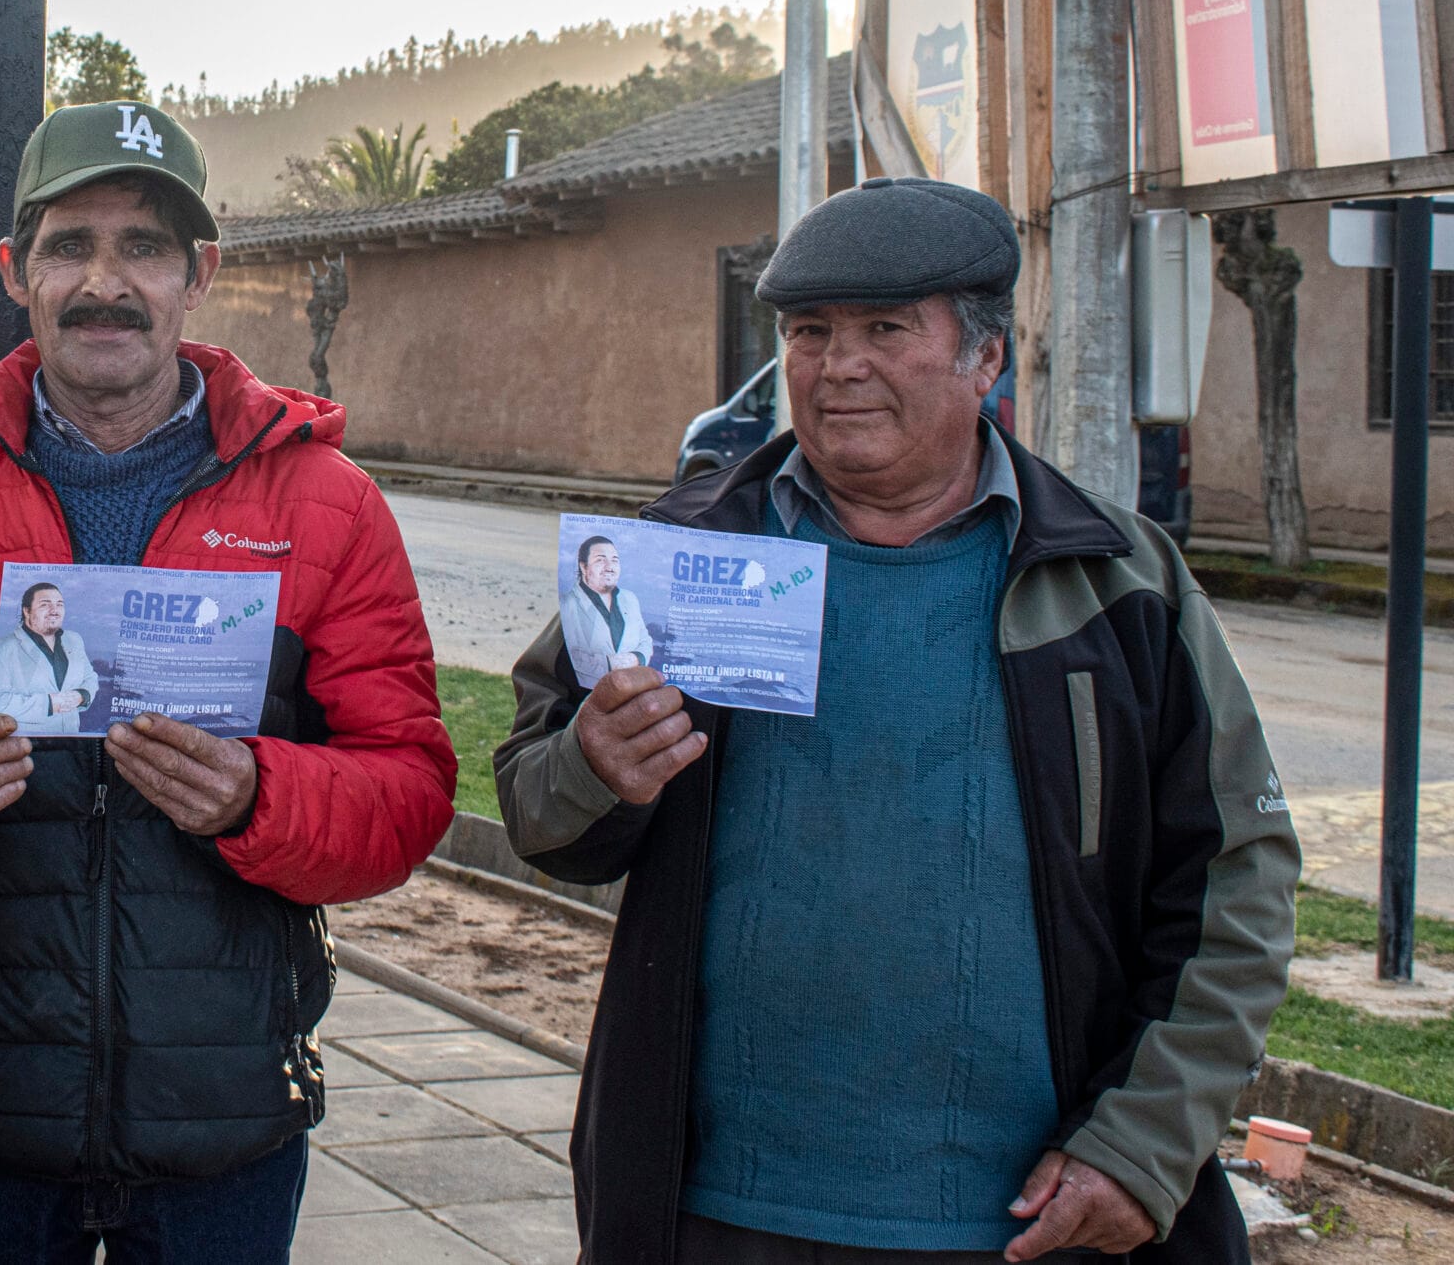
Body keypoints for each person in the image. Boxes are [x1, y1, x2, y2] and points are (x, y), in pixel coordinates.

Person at [496, 176, 1299, 1265]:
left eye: (886, 329)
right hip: (722, 1213)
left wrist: (1144, 1144)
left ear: (985, 360)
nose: (840, 367)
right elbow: (542, 815)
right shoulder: (681, 557)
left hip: (1027, 1220)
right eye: (809, 332)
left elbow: (1233, 880)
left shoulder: (1115, 582)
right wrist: (593, 765)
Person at [0, 99, 457, 1264]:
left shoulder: (325, 507)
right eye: (69, 245)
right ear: (15, 270)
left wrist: (259, 799)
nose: (106, 281)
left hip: (225, 1132)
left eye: (143, 246)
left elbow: (408, 795)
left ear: (199, 272)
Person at [0, 581, 98, 735]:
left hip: (73, 744)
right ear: (27, 611)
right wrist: (49, 704)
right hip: (29, 748)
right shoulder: (3, 648)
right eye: (45, 605)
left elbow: (90, 677)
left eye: (60, 604)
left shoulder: (74, 640)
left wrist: (82, 696)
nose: (55, 610)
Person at [559, 533, 651, 680]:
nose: (610, 567)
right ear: (583, 566)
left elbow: (645, 641)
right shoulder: (566, 604)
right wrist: (611, 663)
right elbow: (571, 657)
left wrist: (638, 657)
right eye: (600, 560)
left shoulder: (630, 599)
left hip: (633, 689)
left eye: (615, 561)